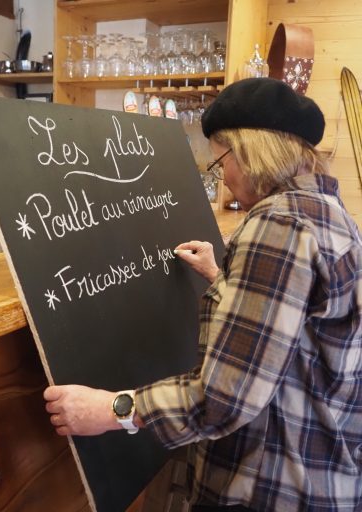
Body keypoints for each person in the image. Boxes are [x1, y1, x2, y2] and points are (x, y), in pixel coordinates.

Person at [44, 78, 362, 512]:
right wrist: (224, 275)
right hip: (323, 470)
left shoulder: (280, 225)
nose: (224, 179)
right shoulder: (325, 211)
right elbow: (297, 333)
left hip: (273, 487)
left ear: (249, 150)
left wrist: (111, 409)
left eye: (220, 162)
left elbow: (224, 399)